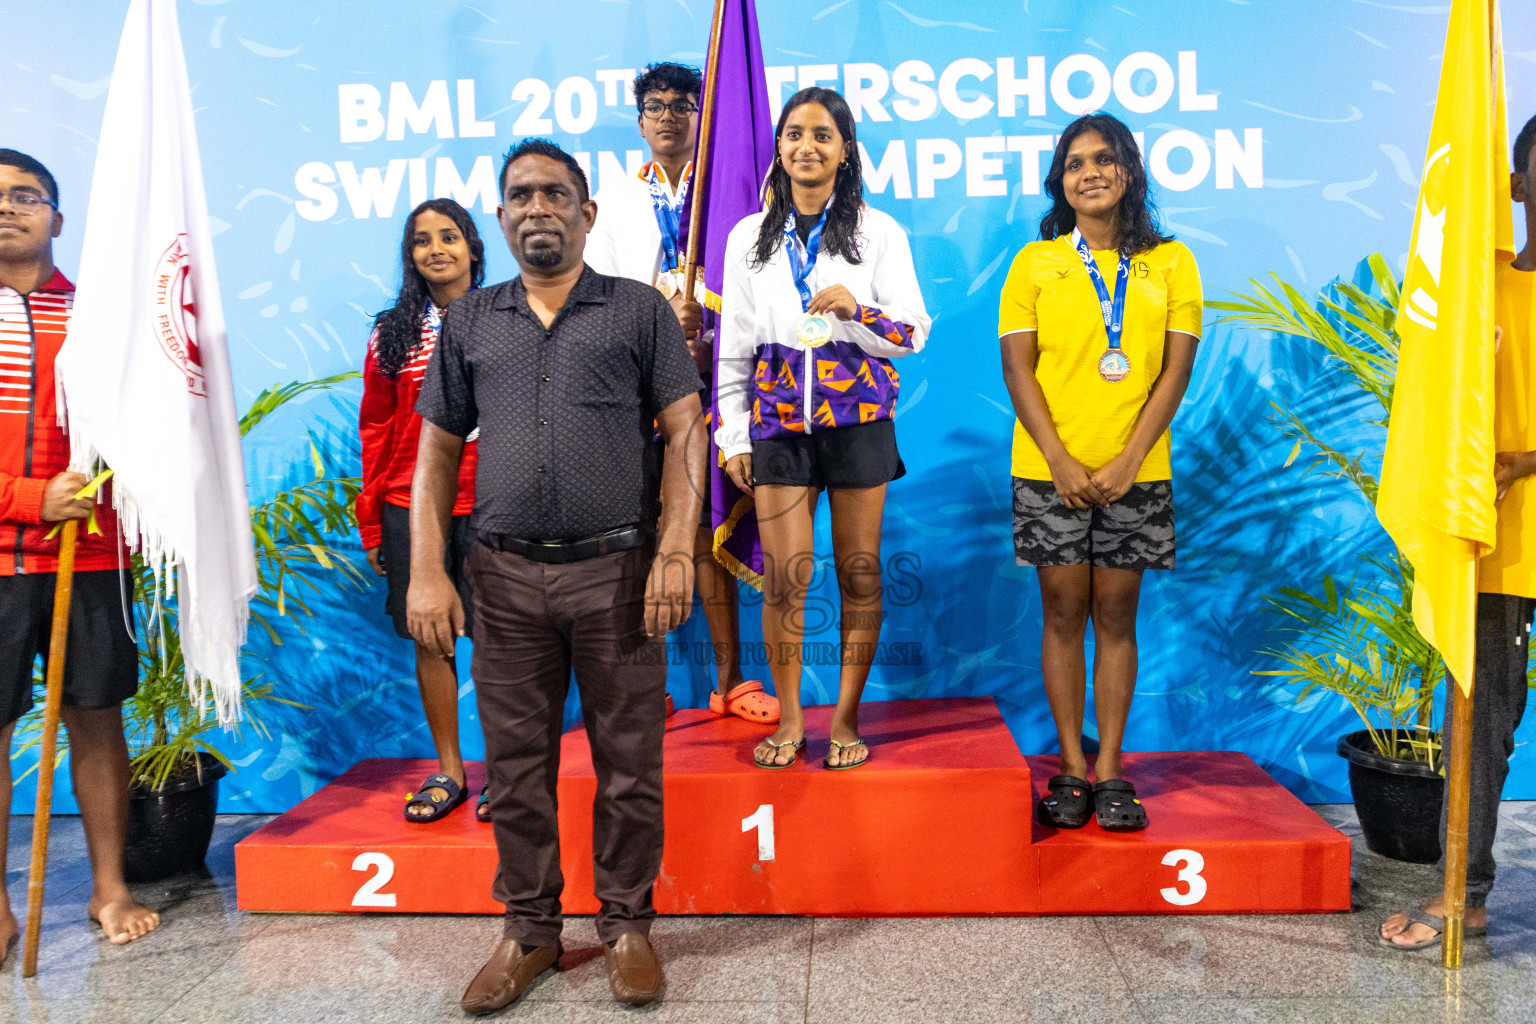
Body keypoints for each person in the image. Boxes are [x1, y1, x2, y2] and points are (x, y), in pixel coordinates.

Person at [409, 139, 705, 1013]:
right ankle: (530, 932)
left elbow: (686, 431)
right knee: (515, 767)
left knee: (629, 763)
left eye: (554, 193)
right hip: (500, 580)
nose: (536, 207)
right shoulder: (471, 322)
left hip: (617, 572)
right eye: (519, 196)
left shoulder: (639, 312)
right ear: (500, 219)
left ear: (587, 212)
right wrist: (430, 568)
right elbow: (433, 456)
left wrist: (677, 549)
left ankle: (627, 927)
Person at [715, 87, 931, 771]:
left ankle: (844, 717)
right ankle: (791, 721)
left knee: (861, 577)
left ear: (845, 151)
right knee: (786, 578)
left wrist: (860, 311)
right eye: (794, 134)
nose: (806, 146)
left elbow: (915, 334)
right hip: (778, 424)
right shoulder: (748, 237)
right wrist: (735, 436)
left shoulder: (879, 232)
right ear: (779, 148)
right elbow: (735, 344)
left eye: (823, 135)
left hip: (859, 421)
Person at [998, 114, 1201, 832]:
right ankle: (1071, 770)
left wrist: (1125, 462)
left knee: (1117, 616)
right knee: (1062, 614)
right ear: (1060, 180)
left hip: (1137, 474)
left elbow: (1175, 372)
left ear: (1129, 173)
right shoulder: (1034, 263)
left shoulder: (1172, 262)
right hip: (1048, 469)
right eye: (1076, 162)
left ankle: (1112, 767)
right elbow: (1017, 370)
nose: (1090, 172)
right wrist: (1060, 460)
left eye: (1105, 160)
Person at [1379, 113, 1536, 951]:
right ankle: (1464, 895)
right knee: (1482, 729)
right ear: (1514, 186)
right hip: (1501, 544)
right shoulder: (1480, 287)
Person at [0, 149, 160, 958]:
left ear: (57, 220)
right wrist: (30, 501)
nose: (8, 208)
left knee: (98, 721)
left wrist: (95, 499)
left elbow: (143, 434)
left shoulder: (101, 317)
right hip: (0, 558)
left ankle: (109, 888)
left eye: (26, 196)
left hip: (88, 560)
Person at [587, 61, 780, 728]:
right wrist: (660, 314)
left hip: (718, 382)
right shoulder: (611, 201)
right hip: (635, 390)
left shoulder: (736, 196)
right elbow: (600, 291)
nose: (670, 115)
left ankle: (730, 681)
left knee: (708, 531)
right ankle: (646, 684)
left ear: (704, 116)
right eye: (656, 106)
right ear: (640, 121)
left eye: (683, 104)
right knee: (639, 536)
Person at [358, 198, 487, 823]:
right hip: (411, 506)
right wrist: (371, 518)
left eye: (449, 237)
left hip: (493, 503)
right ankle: (451, 770)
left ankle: (510, 774)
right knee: (431, 642)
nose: (436, 249)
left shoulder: (504, 315)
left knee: (502, 643)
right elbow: (376, 427)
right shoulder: (392, 331)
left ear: (472, 246)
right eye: (421, 241)